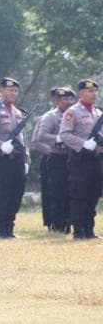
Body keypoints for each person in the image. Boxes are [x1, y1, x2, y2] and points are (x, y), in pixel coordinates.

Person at [59, 79, 102, 240]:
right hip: (80, 159)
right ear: (81, 93)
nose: (94, 94)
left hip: (96, 159)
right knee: (79, 195)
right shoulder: (73, 112)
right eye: (90, 91)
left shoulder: (98, 113)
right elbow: (65, 135)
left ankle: (89, 229)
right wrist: (83, 144)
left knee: (93, 194)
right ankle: (78, 230)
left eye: (95, 91)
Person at [0, 78, 30, 239]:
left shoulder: (17, 111)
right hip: (1, 158)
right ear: (2, 90)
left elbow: (23, 137)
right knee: (2, 194)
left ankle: (10, 226)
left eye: (15, 91)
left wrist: (26, 159)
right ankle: (1, 229)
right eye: (10, 90)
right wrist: (0, 145)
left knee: (16, 193)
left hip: (17, 159)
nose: (13, 93)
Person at [37, 87, 75, 233]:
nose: (68, 102)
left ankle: (69, 221)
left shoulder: (74, 114)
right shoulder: (50, 116)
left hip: (72, 157)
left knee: (72, 191)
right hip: (57, 158)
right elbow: (41, 136)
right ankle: (57, 223)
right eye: (65, 99)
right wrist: (58, 138)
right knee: (57, 191)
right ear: (58, 101)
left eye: (71, 99)